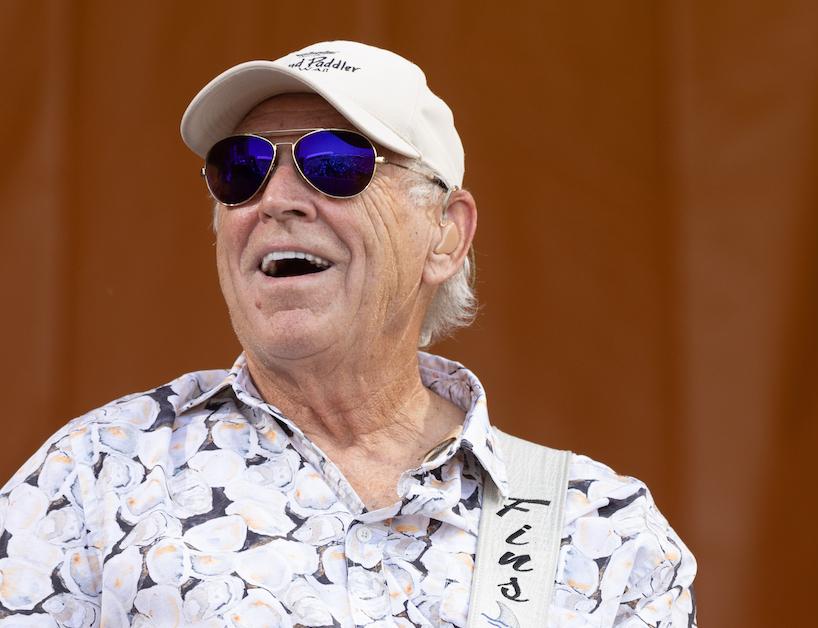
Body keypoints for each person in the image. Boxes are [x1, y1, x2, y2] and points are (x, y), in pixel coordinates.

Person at [0, 41, 696, 627]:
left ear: (445, 235)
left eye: (335, 162)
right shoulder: (97, 478)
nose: (275, 198)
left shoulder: (599, 530)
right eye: (241, 169)